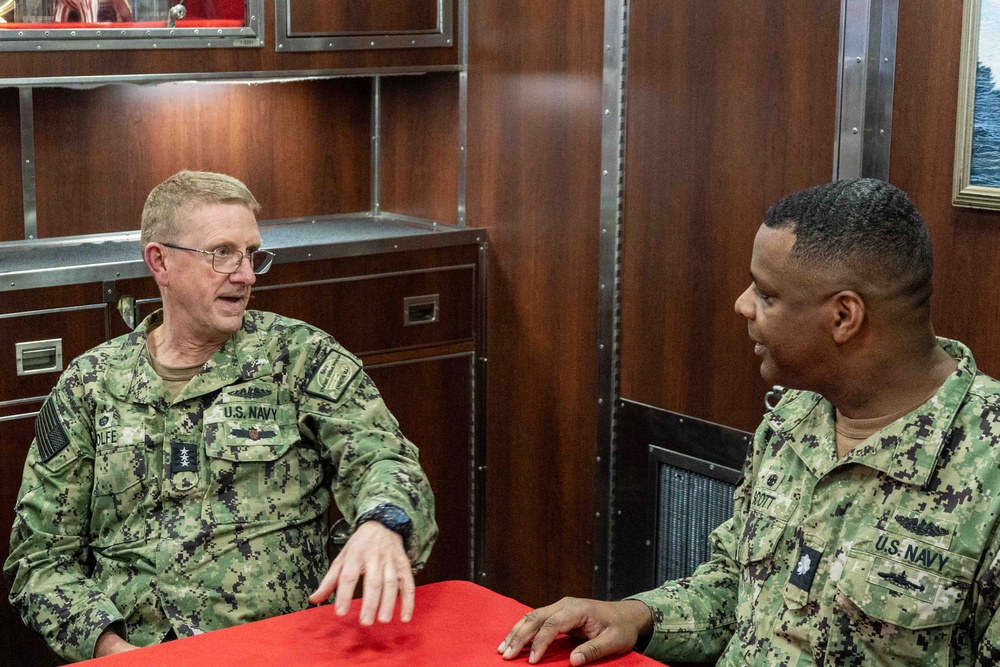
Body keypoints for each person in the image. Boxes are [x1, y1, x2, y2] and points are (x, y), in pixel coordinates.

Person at [499, 178, 1000, 665]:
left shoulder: (988, 469)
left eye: (766, 294)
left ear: (844, 317)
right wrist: (635, 615)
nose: (743, 304)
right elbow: (739, 586)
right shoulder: (795, 416)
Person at [4, 170, 438, 662]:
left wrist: (384, 522)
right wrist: (113, 649)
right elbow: (40, 559)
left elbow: (387, 460)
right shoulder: (91, 384)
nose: (246, 274)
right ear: (160, 262)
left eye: (252, 254)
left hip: (281, 648)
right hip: (137, 654)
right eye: (222, 253)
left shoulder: (299, 358)